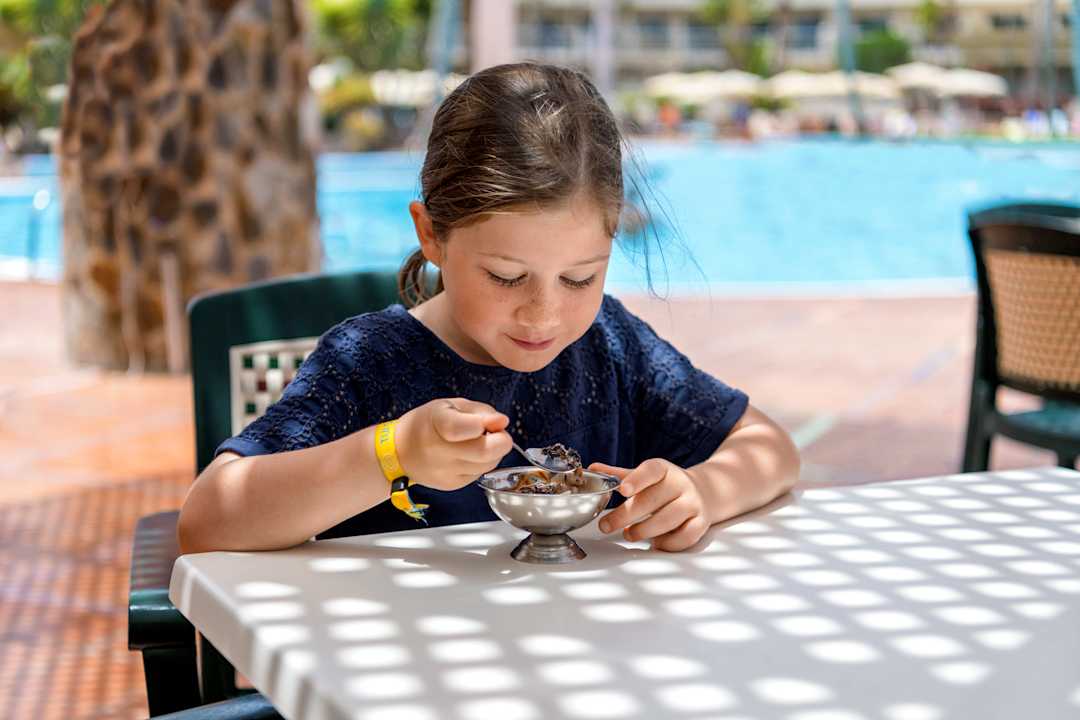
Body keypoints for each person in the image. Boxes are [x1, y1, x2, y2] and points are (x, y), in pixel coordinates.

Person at [177, 62, 800, 555]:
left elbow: (768, 446)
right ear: (432, 235)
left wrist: (701, 491)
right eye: (507, 277)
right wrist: (393, 453)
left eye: (579, 278)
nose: (543, 314)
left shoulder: (611, 344)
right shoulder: (370, 362)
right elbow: (206, 520)